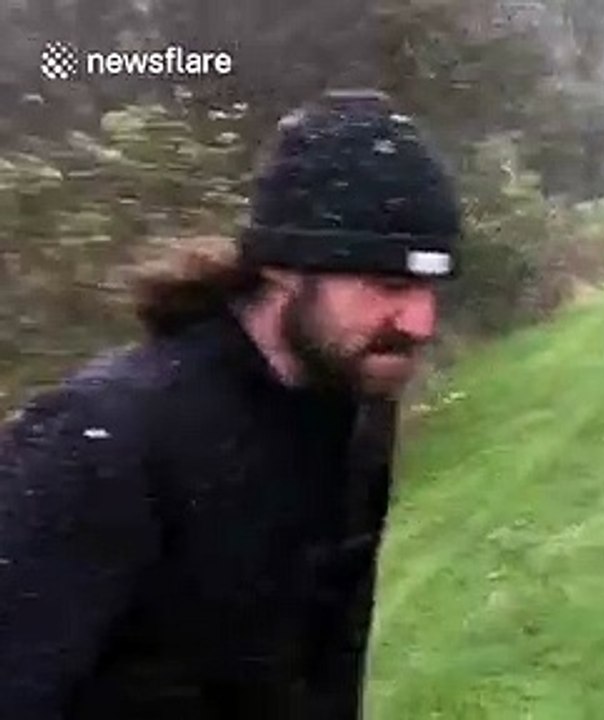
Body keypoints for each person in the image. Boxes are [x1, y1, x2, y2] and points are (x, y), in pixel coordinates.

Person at [0, 89, 461, 719]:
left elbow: (329, 661)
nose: (420, 322)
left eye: (432, 288)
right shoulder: (100, 440)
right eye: (389, 285)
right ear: (283, 267)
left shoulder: (353, 415)